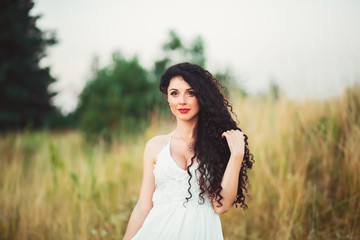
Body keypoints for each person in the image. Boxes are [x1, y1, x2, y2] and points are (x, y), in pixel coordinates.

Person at [123, 62, 254, 240]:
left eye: (190, 93)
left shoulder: (218, 146)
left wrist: (237, 155)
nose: (182, 101)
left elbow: (221, 206)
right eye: (174, 93)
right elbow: (143, 207)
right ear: (168, 98)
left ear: (202, 97)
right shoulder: (155, 146)